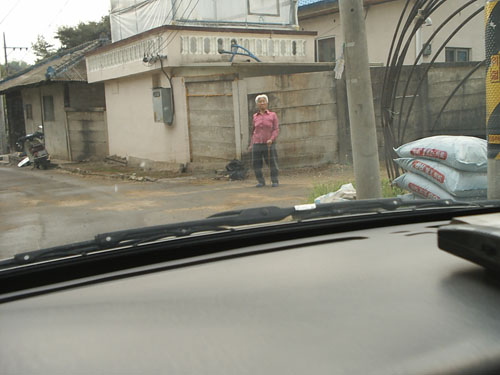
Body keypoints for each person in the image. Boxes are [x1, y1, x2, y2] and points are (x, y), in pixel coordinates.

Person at [248, 94, 279, 187]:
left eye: (264, 101)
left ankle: (274, 181)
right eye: (260, 102)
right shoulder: (255, 116)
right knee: (256, 164)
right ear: (257, 104)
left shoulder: (272, 115)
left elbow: (276, 129)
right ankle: (260, 181)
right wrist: (251, 144)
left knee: (272, 163)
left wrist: (271, 139)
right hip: (257, 143)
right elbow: (253, 131)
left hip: (269, 143)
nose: (262, 103)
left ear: (267, 103)